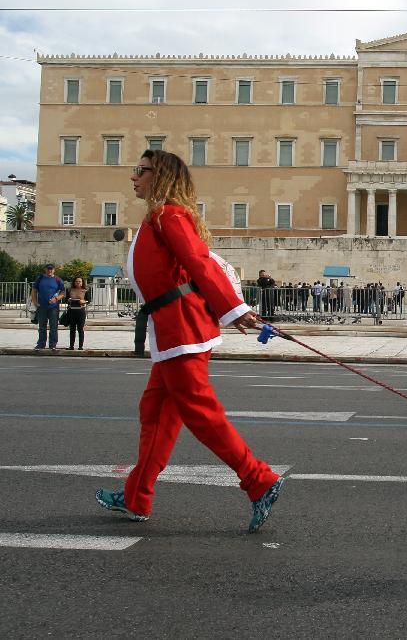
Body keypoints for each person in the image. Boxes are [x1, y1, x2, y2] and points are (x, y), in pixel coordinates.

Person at [95, 149, 283, 532]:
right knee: (156, 413)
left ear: (159, 175)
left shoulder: (170, 215)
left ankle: (258, 479)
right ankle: (136, 496)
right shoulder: (158, 216)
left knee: (200, 412)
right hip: (169, 329)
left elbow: (200, 262)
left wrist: (234, 309)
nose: (133, 177)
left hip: (181, 328)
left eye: (140, 170)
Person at [30, 263, 65, 350]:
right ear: (45, 269)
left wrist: (56, 299)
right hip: (42, 306)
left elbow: (63, 292)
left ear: (54, 270)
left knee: (53, 327)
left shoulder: (57, 279)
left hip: (53, 307)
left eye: (51, 269)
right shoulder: (40, 278)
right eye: (48, 269)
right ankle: (41, 344)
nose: (50, 270)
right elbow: (34, 290)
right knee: (42, 327)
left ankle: (52, 345)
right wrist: (35, 302)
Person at [65, 276, 90, 350]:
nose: (78, 283)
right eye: (76, 281)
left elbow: (89, 300)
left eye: (79, 281)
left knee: (80, 329)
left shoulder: (85, 291)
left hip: (80, 311)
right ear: (74, 282)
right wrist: (69, 300)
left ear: (82, 283)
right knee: (72, 329)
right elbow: (66, 299)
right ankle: (71, 346)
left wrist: (84, 301)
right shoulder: (70, 290)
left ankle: (80, 346)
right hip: (72, 311)